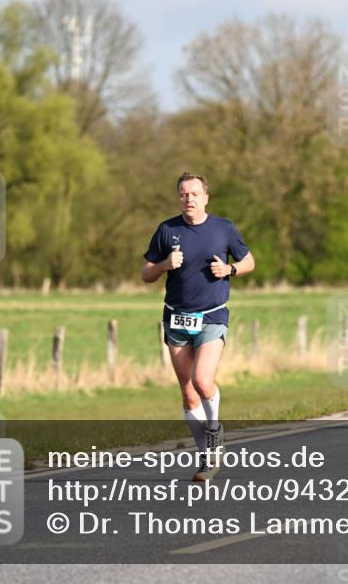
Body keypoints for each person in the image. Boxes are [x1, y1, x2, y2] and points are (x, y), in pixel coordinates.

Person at [142, 172, 255, 481]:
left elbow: (249, 262)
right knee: (189, 395)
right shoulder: (167, 230)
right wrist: (165, 265)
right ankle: (206, 456)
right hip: (176, 317)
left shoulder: (224, 228)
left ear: (206, 197)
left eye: (194, 193)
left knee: (203, 381)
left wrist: (230, 268)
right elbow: (146, 273)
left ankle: (215, 432)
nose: (188, 198)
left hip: (212, 315)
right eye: (183, 194)